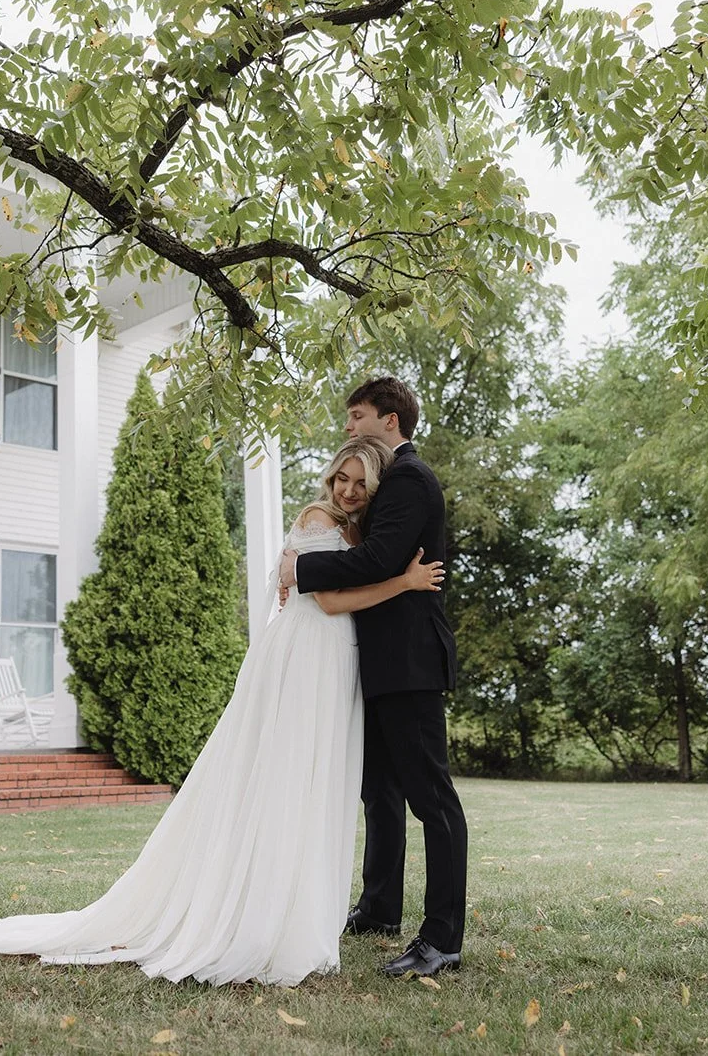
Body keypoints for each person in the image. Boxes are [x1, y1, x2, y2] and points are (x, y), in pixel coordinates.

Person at [0, 436, 443, 986]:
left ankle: (295, 907)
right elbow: (327, 599)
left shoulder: (357, 531)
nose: (346, 489)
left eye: (358, 482)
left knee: (316, 782)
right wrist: (405, 582)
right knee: (288, 773)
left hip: (335, 661)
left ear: (372, 486)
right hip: (306, 655)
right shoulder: (318, 517)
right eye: (340, 478)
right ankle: (260, 915)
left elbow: (332, 577)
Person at [279, 376, 466, 978]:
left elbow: (382, 560)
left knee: (430, 799)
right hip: (379, 661)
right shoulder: (389, 480)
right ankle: (380, 908)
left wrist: (300, 564)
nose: (348, 427)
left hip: (409, 661)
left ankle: (442, 938)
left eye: (356, 415)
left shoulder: (409, 478)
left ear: (390, 420)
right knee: (379, 794)